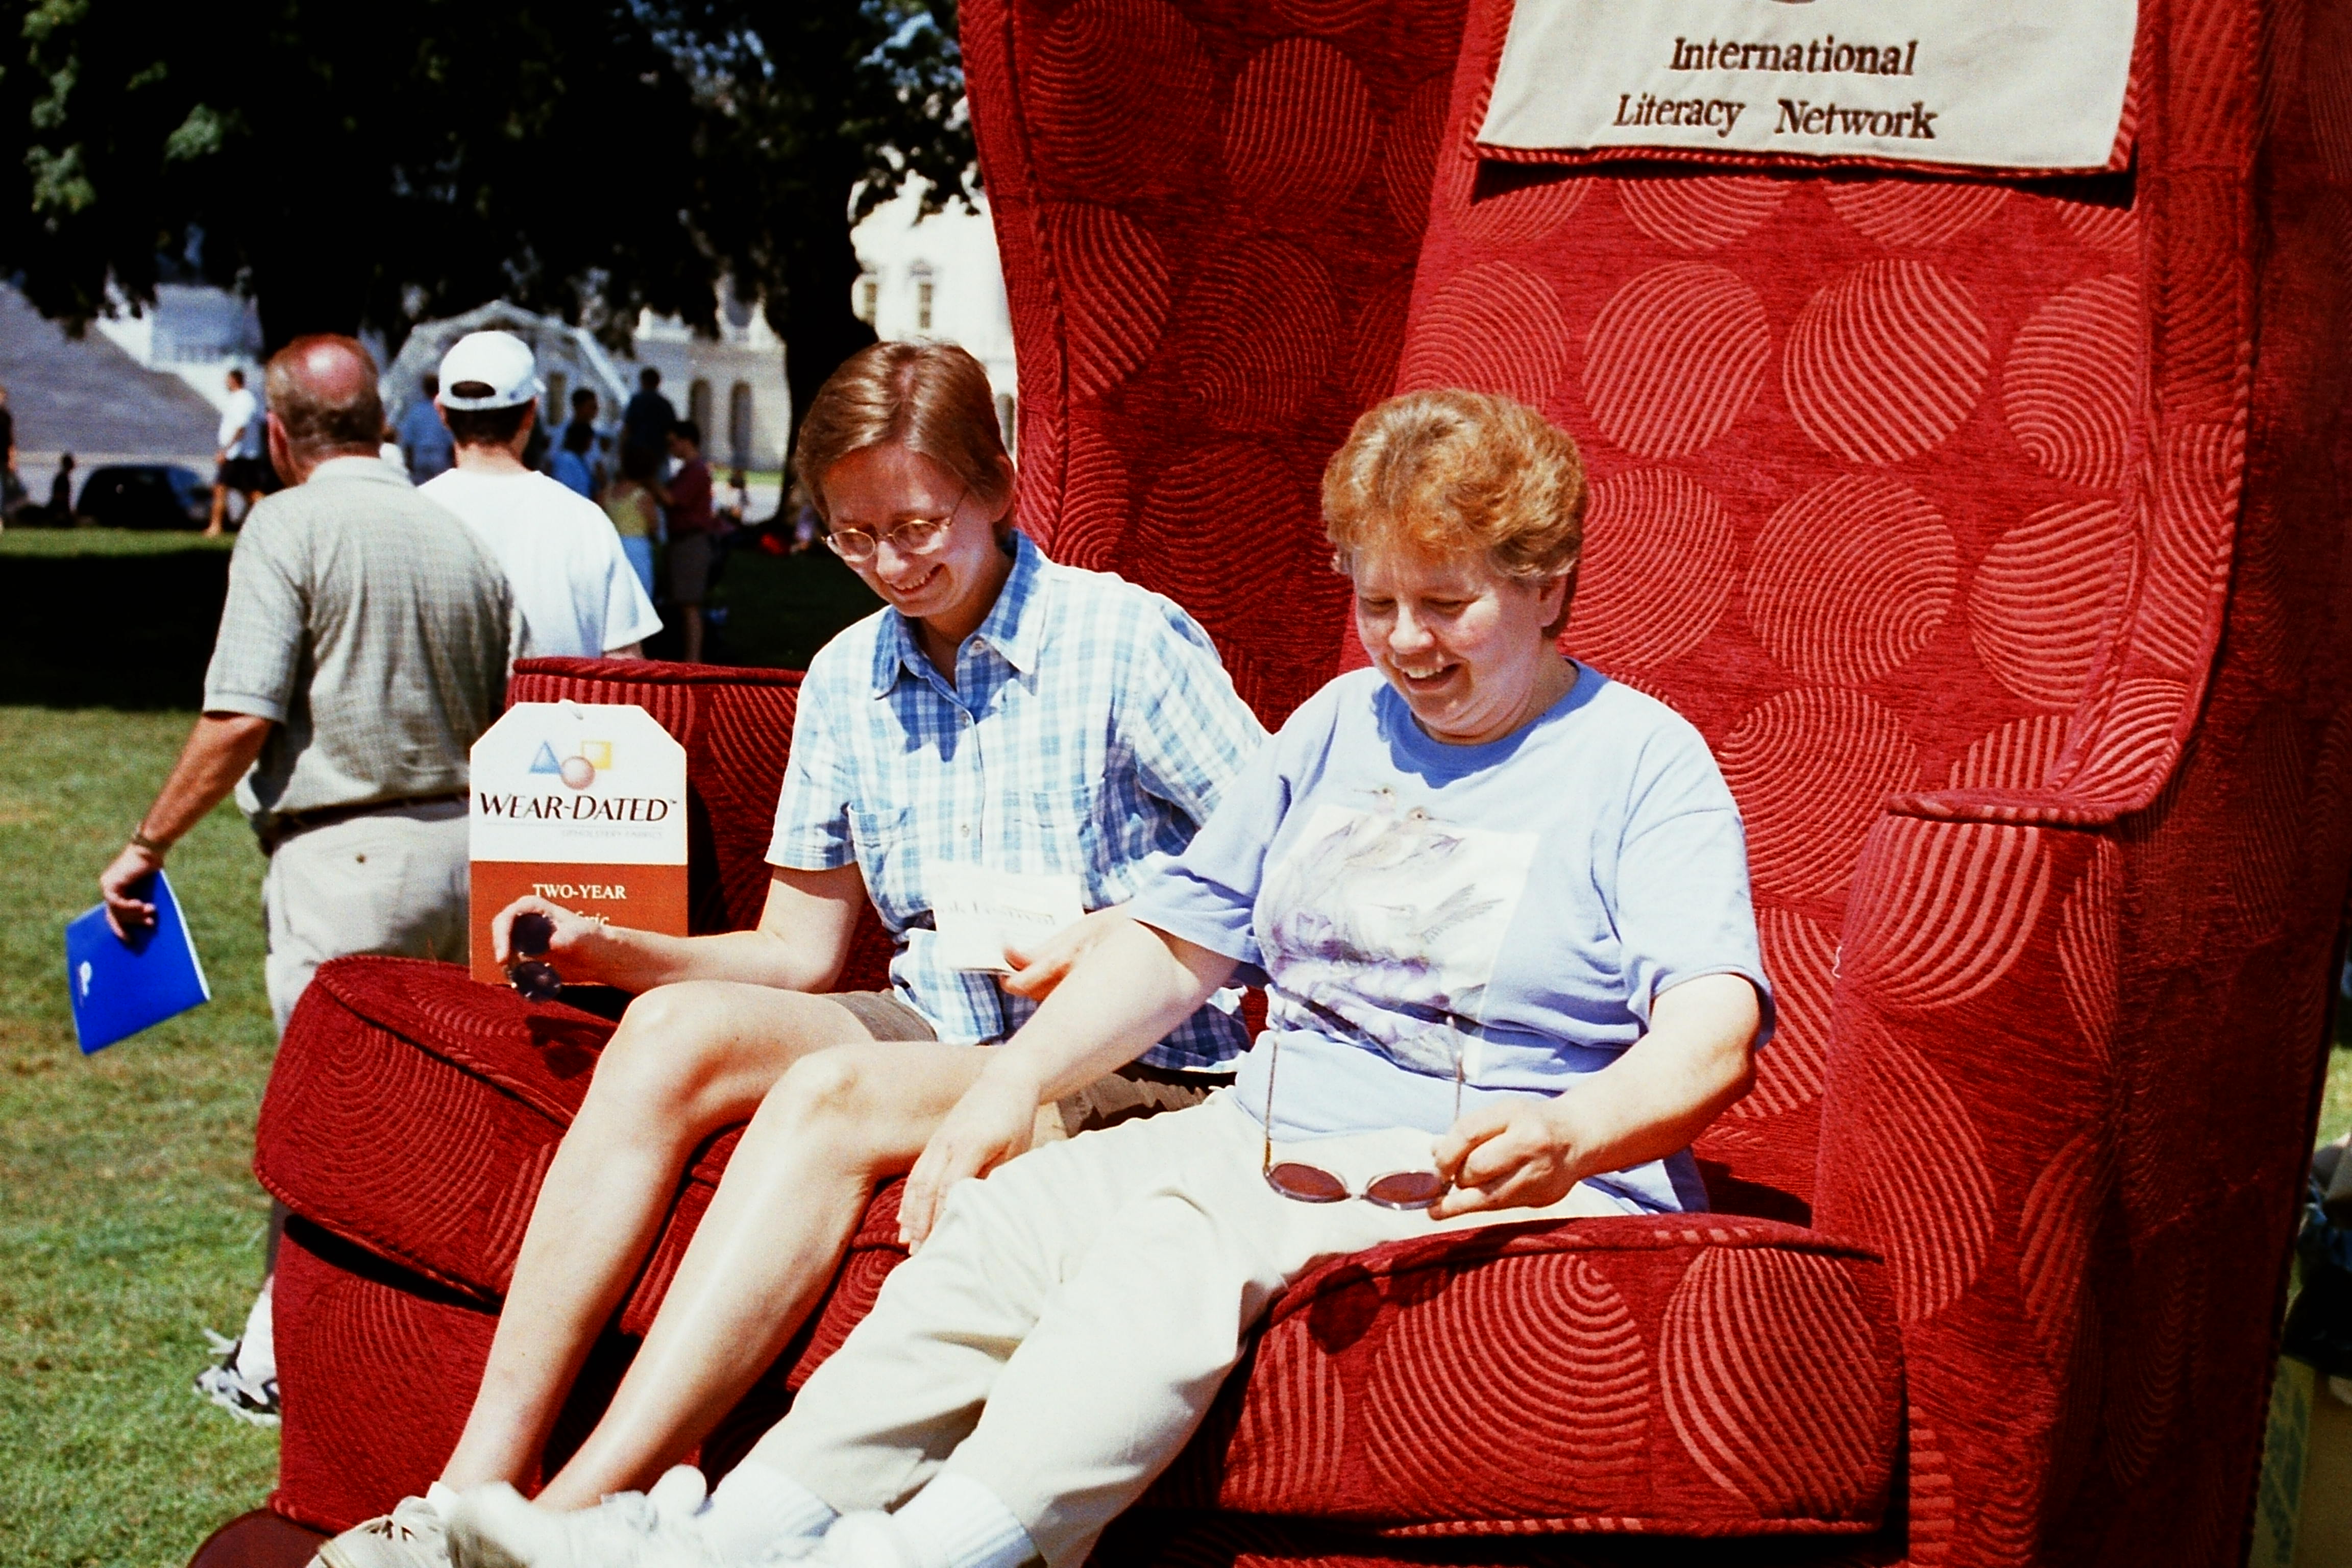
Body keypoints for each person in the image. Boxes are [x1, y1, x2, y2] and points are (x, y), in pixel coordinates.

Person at [440, 387, 1773, 1568]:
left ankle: (930, 1557)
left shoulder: (1640, 762)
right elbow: (1179, 939)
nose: (1407, 643)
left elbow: (1713, 1029)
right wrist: (1006, 1087)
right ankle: (723, 1541)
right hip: (1277, 1126)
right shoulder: (1338, 724)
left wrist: (1572, 1129)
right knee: (1011, 1223)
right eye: (1378, 604)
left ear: (1547, 584)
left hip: (1491, 1160)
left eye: (1447, 604)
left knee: (1177, 1236)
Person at [312, 340, 1269, 1568]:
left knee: (829, 1091)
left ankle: (574, 1513)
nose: (892, 565)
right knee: (674, 1030)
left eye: (916, 525)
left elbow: (1288, 859)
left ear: (997, 486)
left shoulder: (1123, 639)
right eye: (853, 537)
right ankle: (465, 1490)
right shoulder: (846, 676)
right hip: (938, 1022)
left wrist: (1111, 929)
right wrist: (616, 949)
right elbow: (794, 950)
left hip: (1128, 1057)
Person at [93, 334, 519, 1430]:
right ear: (385, 421)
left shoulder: (286, 525)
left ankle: (289, 1362)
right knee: (434, 1125)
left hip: (347, 856)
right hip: (471, 851)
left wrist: (148, 841)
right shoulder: (458, 536)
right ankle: (408, 1344)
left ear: (279, 435)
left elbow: (242, 713)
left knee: (325, 1132)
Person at [420, 331, 660, 659]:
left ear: (442, 412)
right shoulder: (585, 521)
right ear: (531, 412)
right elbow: (624, 662)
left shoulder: (408, 516)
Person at [657, 419, 718, 662]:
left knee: (690, 604)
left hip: (692, 542)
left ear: (687, 441)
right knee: (680, 602)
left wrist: (649, 482)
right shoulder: (686, 470)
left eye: (673, 443)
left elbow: (672, 500)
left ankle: (693, 659)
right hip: (681, 541)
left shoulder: (696, 471)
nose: (671, 448)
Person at [207, 366, 269, 535]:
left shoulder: (244, 400)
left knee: (222, 488)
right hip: (238, 453)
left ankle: (216, 526)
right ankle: (218, 525)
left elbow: (241, 428)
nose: (225, 383)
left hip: (240, 454)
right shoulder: (236, 399)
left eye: (227, 380)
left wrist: (225, 451)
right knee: (247, 491)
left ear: (234, 380)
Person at [601, 442, 661, 600]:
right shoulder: (643, 496)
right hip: (637, 546)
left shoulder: (607, 492)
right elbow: (654, 526)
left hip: (612, 544)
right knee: (640, 593)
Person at [398, 374, 457, 483]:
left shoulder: (416, 410)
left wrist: (409, 464)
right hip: (440, 457)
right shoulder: (442, 411)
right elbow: (451, 440)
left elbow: (408, 441)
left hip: (420, 457)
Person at [622, 365, 677, 460]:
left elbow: (627, 428)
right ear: (658, 382)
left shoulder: (636, 401)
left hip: (637, 453)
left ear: (642, 381)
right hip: (659, 453)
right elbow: (672, 431)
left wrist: (623, 452)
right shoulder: (665, 404)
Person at [549, 419, 597, 499]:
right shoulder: (566, 460)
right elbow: (564, 489)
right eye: (589, 441)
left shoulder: (581, 460)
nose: (591, 444)